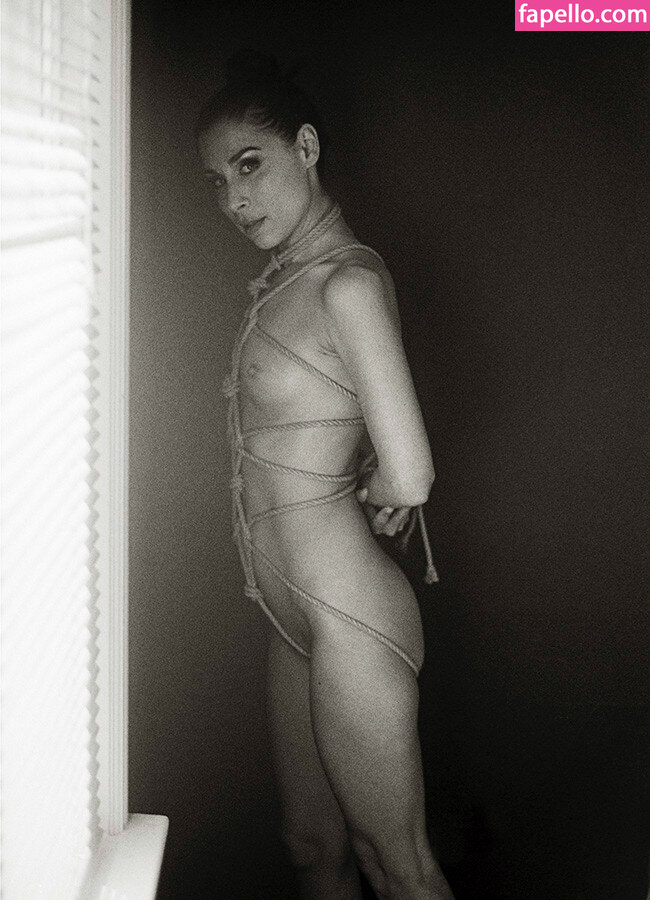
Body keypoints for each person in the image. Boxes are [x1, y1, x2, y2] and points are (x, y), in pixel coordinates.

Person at [196, 49, 454, 900]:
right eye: (218, 182)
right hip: (291, 615)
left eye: (249, 165)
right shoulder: (285, 284)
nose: (234, 199)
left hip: (348, 616)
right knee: (312, 846)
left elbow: (411, 477)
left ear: (305, 147)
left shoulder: (346, 284)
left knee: (397, 867)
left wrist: (378, 490)